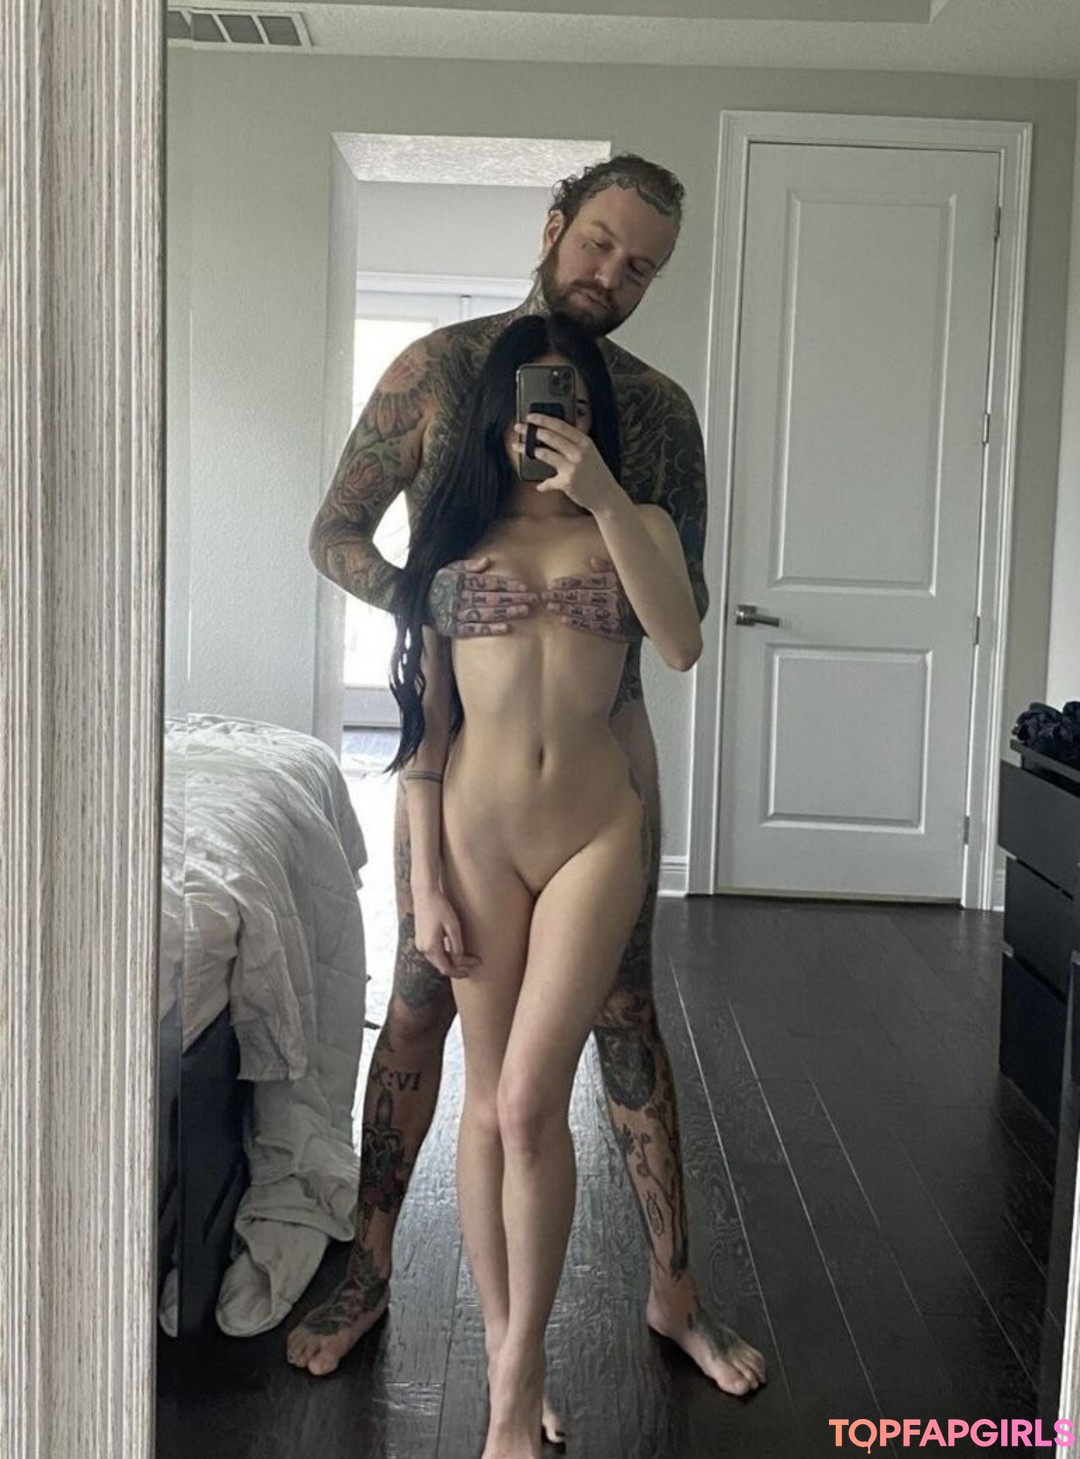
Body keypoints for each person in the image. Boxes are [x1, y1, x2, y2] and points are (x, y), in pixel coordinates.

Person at [288, 153, 766, 1399]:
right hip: (463, 758)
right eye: (601, 242)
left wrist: (615, 542)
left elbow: (683, 601)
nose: (616, 275)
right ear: (555, 226)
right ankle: (373, 1267)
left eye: (644, 266)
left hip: (605, 755)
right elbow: (335, 532)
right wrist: (431, 599)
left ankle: (671, 1293)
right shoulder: (439, 371)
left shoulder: (654, 410)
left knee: (626, 1018)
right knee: (417, 1004)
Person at [390, 310, 701, 1458]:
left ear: (590, 414)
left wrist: (605, 497)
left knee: (529, 1100)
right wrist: (424, 883)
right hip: (473, 841)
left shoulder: (636, 523)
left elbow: (680, 645)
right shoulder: (454, 537)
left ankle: (517, 1384)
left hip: (591, 836)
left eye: (567, 401)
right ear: (499, 413)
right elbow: (424, 738)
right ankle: (509, 1361)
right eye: (530, 401)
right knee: (488, 1105)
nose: (546, 422)